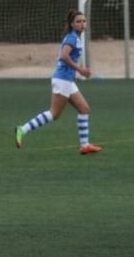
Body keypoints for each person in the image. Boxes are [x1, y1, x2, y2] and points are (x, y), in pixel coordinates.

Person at [14, 9, 102, 155]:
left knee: (84, 109)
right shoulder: (72, 38)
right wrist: (80, 70)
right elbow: (64, 56)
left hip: (67, 80)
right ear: (72, 24)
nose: (82, 24)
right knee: (54, 114)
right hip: (63, 80)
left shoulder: (76, 37)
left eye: (84, 21)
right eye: (78, 21)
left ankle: (85, 145)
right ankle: (22, 129)